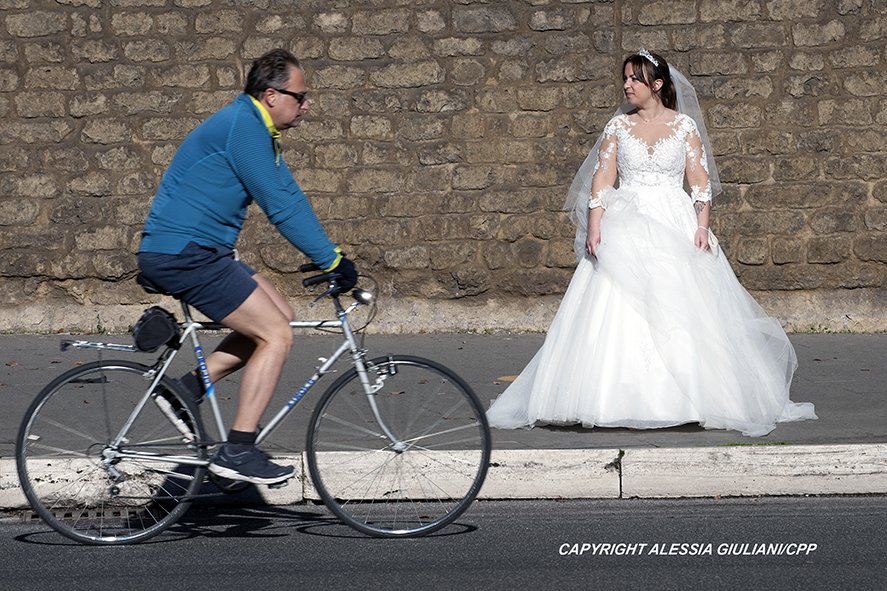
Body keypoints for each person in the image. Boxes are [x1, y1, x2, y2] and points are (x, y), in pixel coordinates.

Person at [487, 50, 816, 437]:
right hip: (626, 218)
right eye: (625, 78)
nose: (626, 85)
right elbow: (602, 178)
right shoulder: (617, 128)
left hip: (672, 220)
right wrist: (595, 225)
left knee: (681, 304)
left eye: (634, 79)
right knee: (615, 303)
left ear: (656, 85)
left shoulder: (683, 126)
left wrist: (701, 226)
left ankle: (692, 397)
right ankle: (605, 399)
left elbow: (699, 180)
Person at [137, 48, 358, 484]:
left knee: (283, 317)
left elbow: (290, 197)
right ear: (272, 95)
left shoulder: (256, 129)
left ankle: (186, 389)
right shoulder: (244, 128)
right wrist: (330, 260)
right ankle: (238, 449)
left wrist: (332, 254)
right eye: (301, 95)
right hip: (185, 254)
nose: (307, 103)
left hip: (202, 251)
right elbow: (280, 208)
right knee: (274, 334)